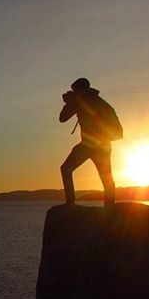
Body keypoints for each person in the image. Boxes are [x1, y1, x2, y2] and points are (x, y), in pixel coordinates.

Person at [59, 77, 122, 206]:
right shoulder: (100, 103)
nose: (74, 93)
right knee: (107, 179)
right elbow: (63, 118)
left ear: (81, 90)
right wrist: (71, 103)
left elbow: (62, 118)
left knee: (66, 169)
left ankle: (70, 202)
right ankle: (110, 207)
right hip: (101, 146)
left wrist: (71, 102)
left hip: (91, 145)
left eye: (75, 91)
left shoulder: (85, 102)